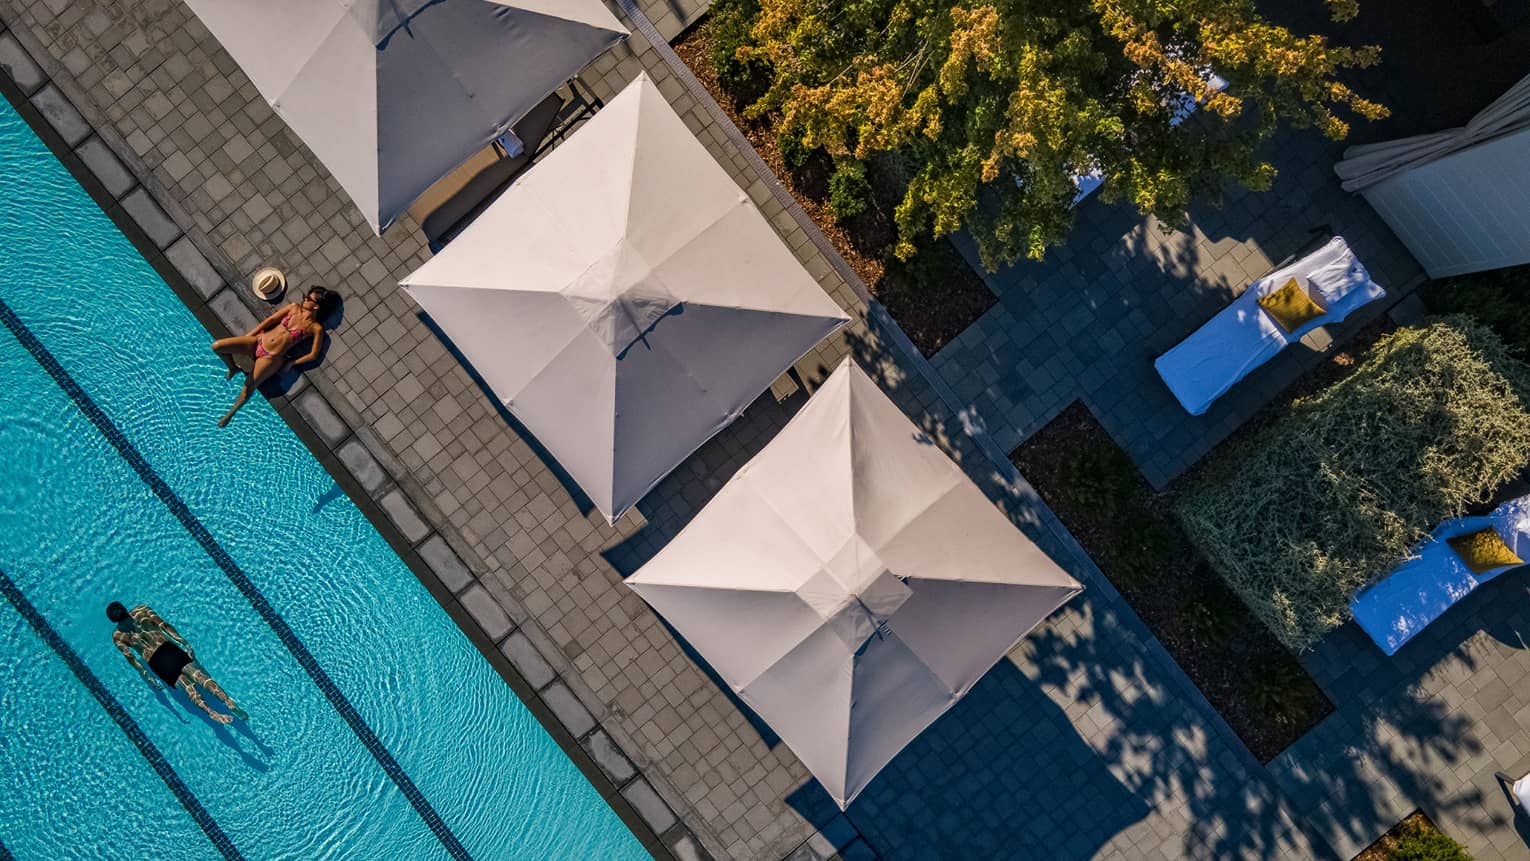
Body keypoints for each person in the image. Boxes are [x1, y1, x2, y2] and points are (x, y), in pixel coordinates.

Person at [210, 286, 337, 427]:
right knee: (217, 346)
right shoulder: (293, 307)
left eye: (308, 299)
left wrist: (292, 363)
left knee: (248, 387)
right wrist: (250, 335)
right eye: (305, 296)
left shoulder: (315, 328)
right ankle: (233, 367)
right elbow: (270, 320)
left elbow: (313, 355)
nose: (304, 299)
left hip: (271, 358)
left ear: (316, 306)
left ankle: (230, 414)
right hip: (258, 341)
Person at [108, 602, 247, 724]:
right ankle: (228, 702)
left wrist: (147, 675)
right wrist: (184, 642)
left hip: (156, 662)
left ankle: (210, 712)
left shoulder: (117, 636)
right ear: (124, 608)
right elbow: (164, 626)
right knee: (200, 677)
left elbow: (130, 658)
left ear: (113, 620)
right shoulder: (142, 610)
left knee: (188, 688)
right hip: (168, 649)